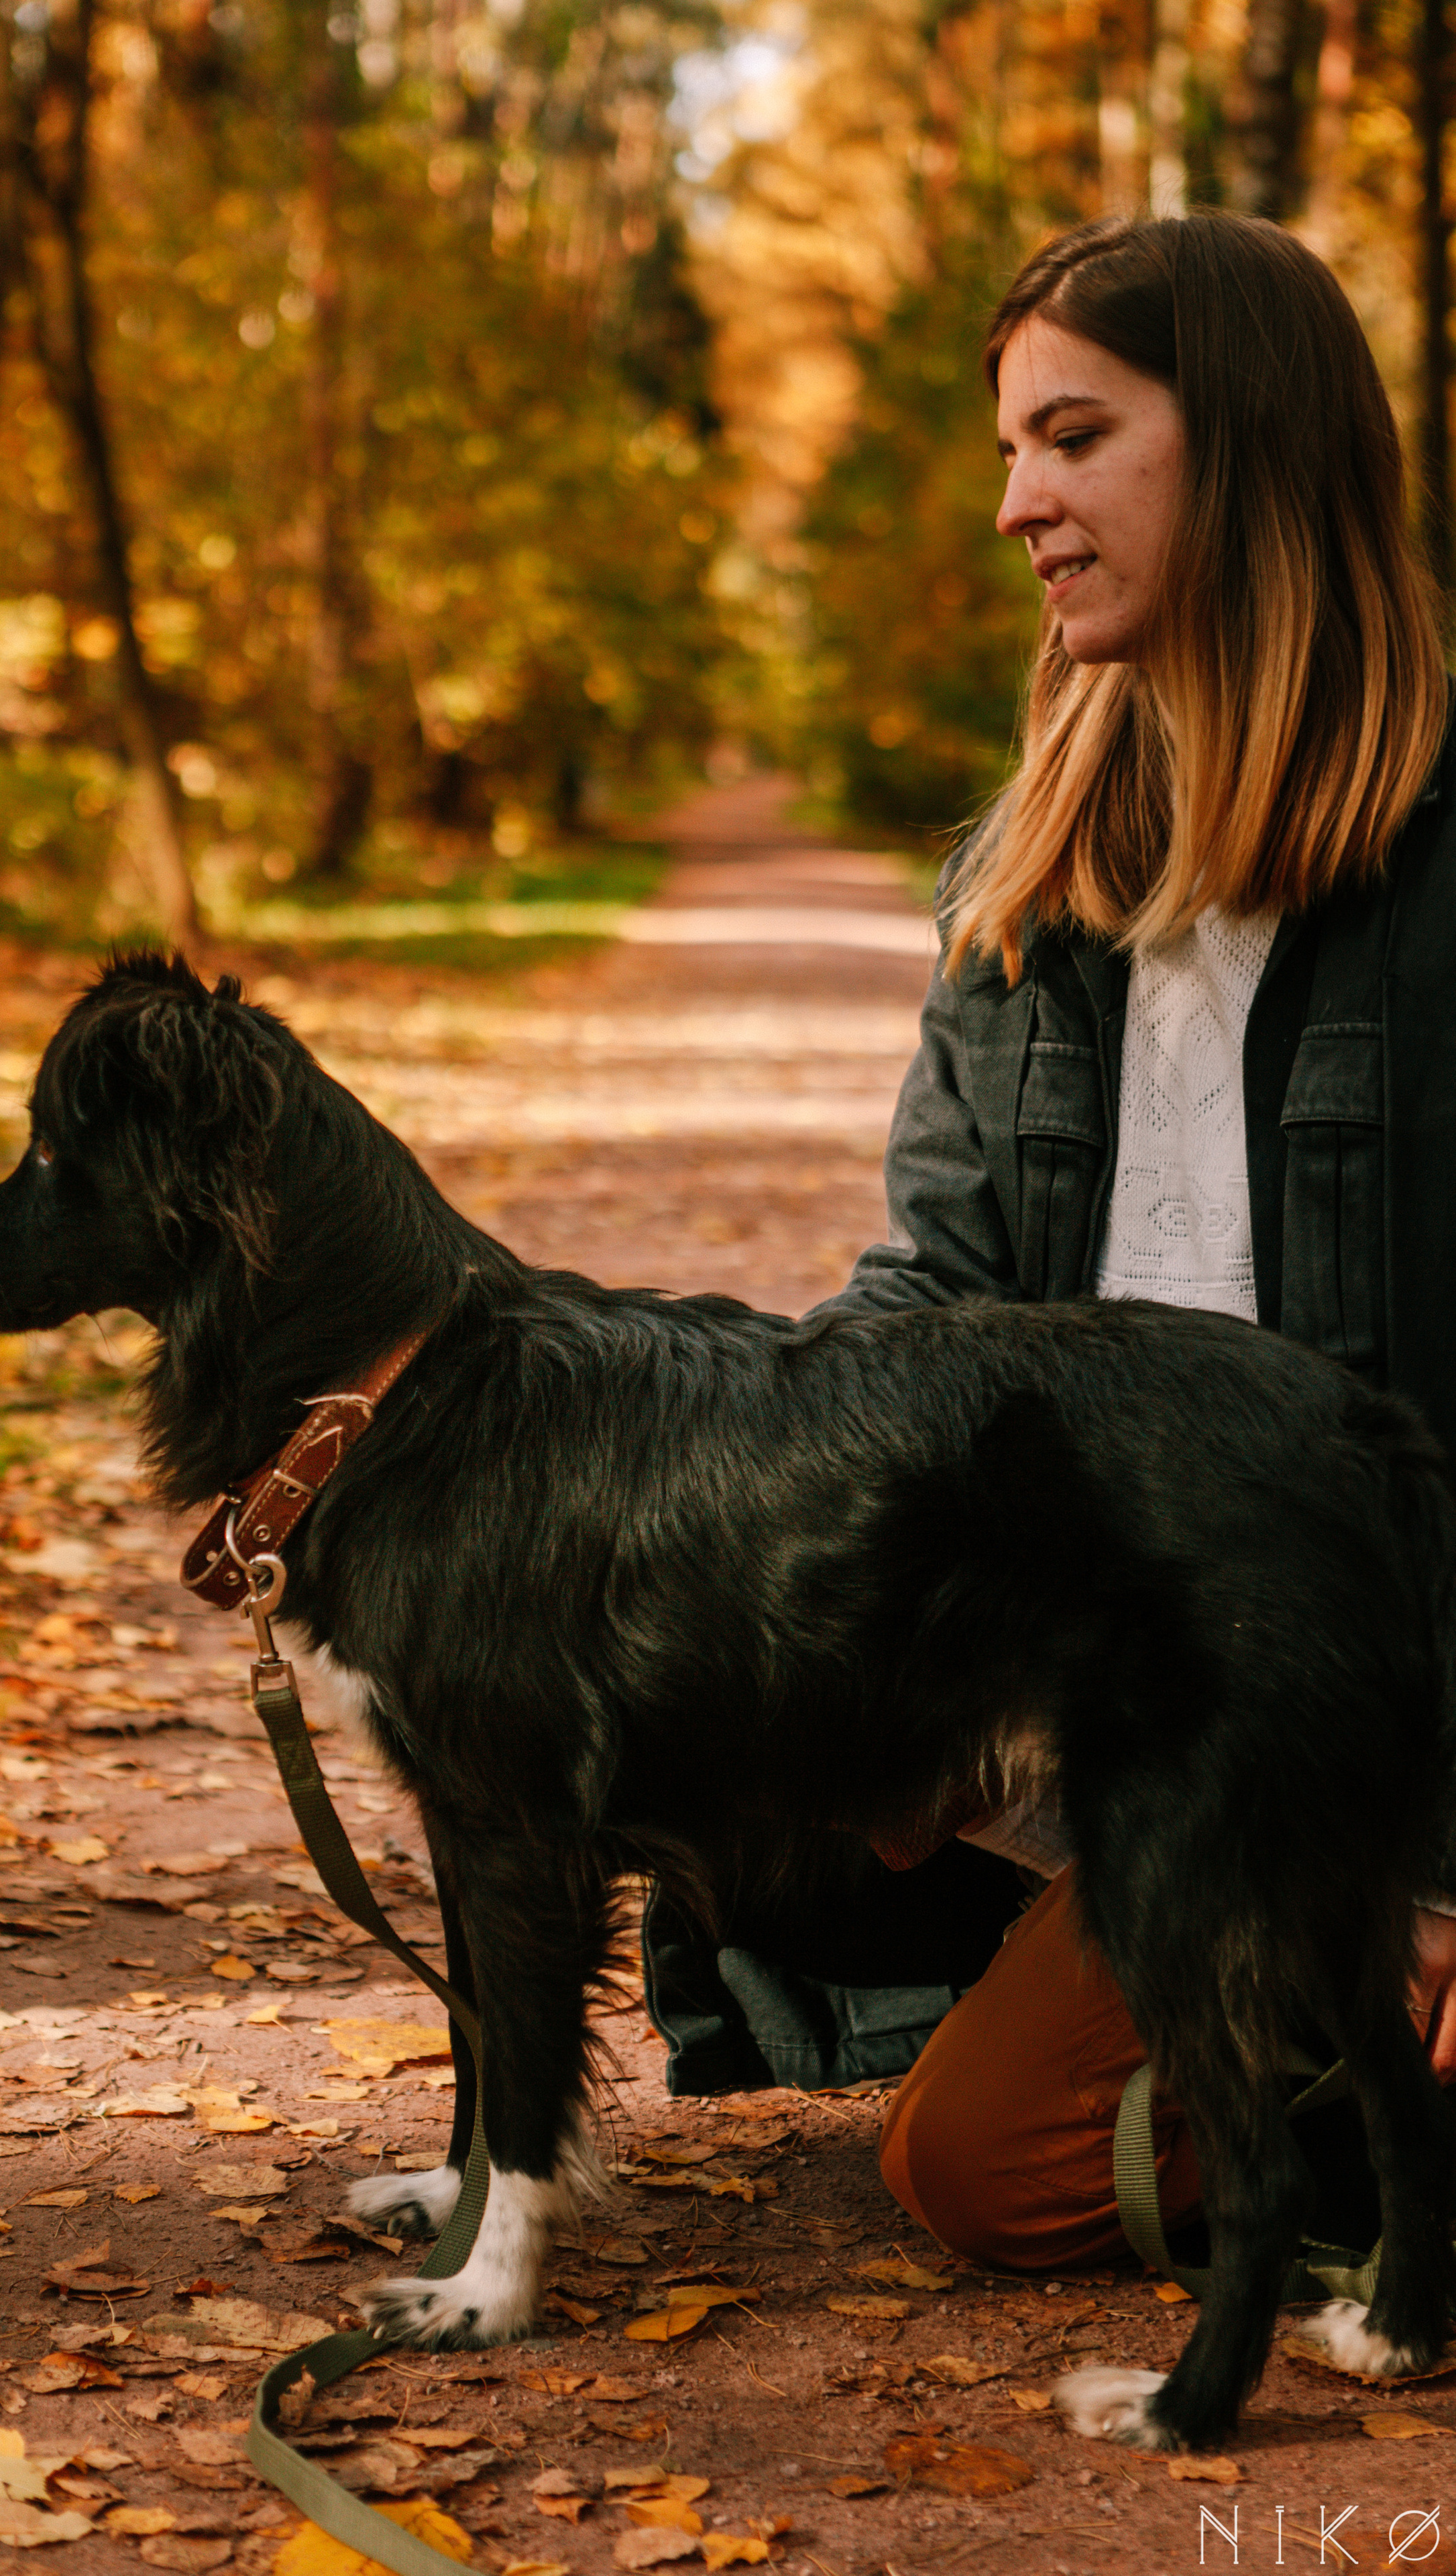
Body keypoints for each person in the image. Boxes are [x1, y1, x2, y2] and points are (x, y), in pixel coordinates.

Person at [641, 209, 1456, 2272]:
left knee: (981, 2171)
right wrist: (730, 1504)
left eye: (1075, 438)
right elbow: (934, 1295)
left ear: (1251, 444)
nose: (1019, 505)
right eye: (1011, 451)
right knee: (654, 1687)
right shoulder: (1021, 887)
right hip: (1112, 1683)